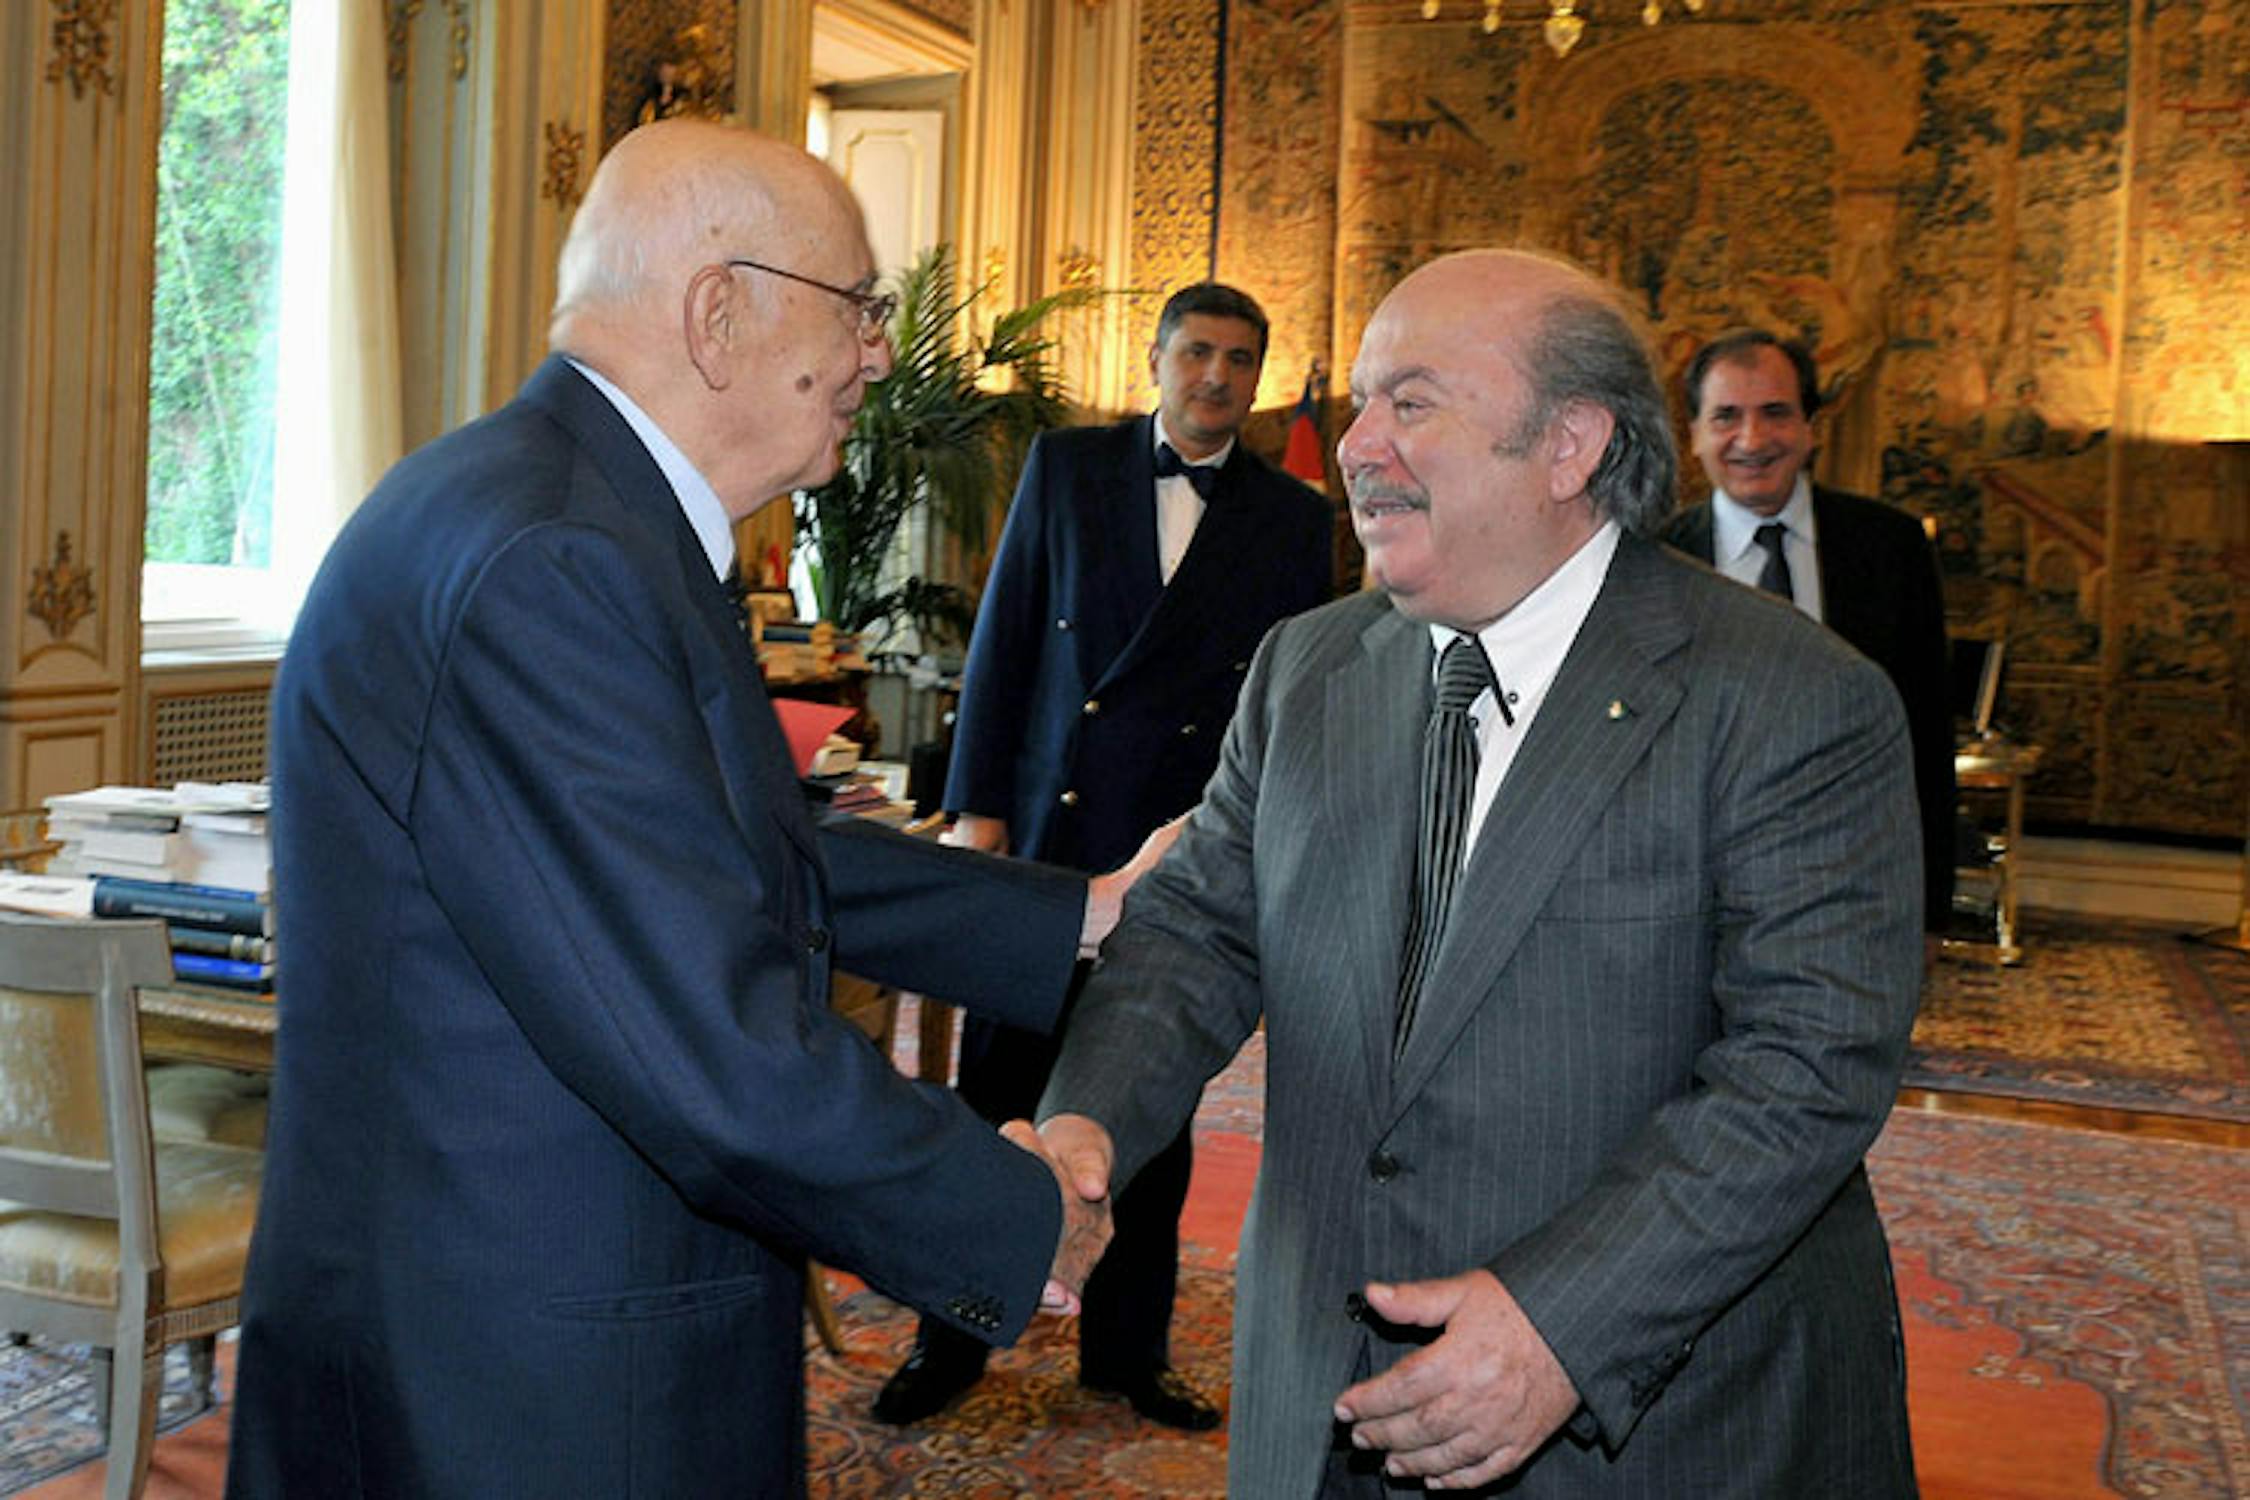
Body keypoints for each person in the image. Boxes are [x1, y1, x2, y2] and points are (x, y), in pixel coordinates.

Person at [227, 119, 1140, 1498]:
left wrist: (1080, 913)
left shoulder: (562, 511)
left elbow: (715, 854)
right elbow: (708, 1047)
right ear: (717, 313)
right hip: (526, 1382)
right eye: (860, 310)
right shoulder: (556, 558)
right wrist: (1013, 1218)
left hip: (500, 1325)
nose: (880, 357)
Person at [1036, 250, 1924, 1497]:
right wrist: (1089, 1125)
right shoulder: (1304, 672)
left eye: (1410, 402)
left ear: (1568, 444)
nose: (1352, 445)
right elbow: (1195, 934)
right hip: (1322, 1397)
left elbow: (1807, 1067)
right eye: (1357, 403)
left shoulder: (1792, 701)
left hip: (1642, 1424)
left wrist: (1565, 1317)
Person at [873, 282, 1334, 1430]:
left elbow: (1293, 704)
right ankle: (953, 1339)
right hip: (1049, 836)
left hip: (1181, 850)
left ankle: (1127, 1353)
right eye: (1196, 352)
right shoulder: (1068, 468)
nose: (1216, 376)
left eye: (1238, 358)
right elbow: (1008, 633)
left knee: (1152, 1112)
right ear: (1158, 359)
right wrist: (978, 806)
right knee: (999, 1100)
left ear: (1257, 375)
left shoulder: (1289, 515)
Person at [1662, 330, 1957, 931]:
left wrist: (1929, 908)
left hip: (1852, 878)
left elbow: (1925, 732)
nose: (1752, 440)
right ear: (1693, 435)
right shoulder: (1654, 560)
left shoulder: (1891, 548)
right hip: (1694, 891)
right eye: (1726, 417)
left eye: (1775, 413)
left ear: (1809, 427)